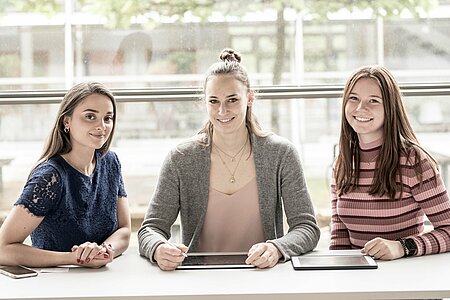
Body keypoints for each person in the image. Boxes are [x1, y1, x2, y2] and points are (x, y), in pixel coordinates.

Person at [138, 48, 320, 271]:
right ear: (204, 102)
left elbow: (307, 227)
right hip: (198, 280)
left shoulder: (281, 154)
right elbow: (150, 229)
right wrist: (158, 248)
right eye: (213, 101)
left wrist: (277, 248)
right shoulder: (181, 159)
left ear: (249, 97)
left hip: (263, 277)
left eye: (232, 99)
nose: (222, 111)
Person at [0, 82, 131, 268]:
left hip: (104, 279)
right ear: (66, 121)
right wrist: (76, 258)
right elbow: (3, 249)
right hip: (56, 283)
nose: (102, 126)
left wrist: (103, 250)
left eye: (107, 118)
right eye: (90, 116)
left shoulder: (111, 162)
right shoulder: (49, 177)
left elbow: (125, 230)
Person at [330, 65, 450, 260]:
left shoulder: (414, 161)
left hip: (403, 281)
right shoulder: (343, 161)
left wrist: (402, 247)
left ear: (390, 107)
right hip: (357, 281)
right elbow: (339, 235)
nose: (361, 108)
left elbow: (448, 230)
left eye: (374, 101)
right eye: (354, 98)